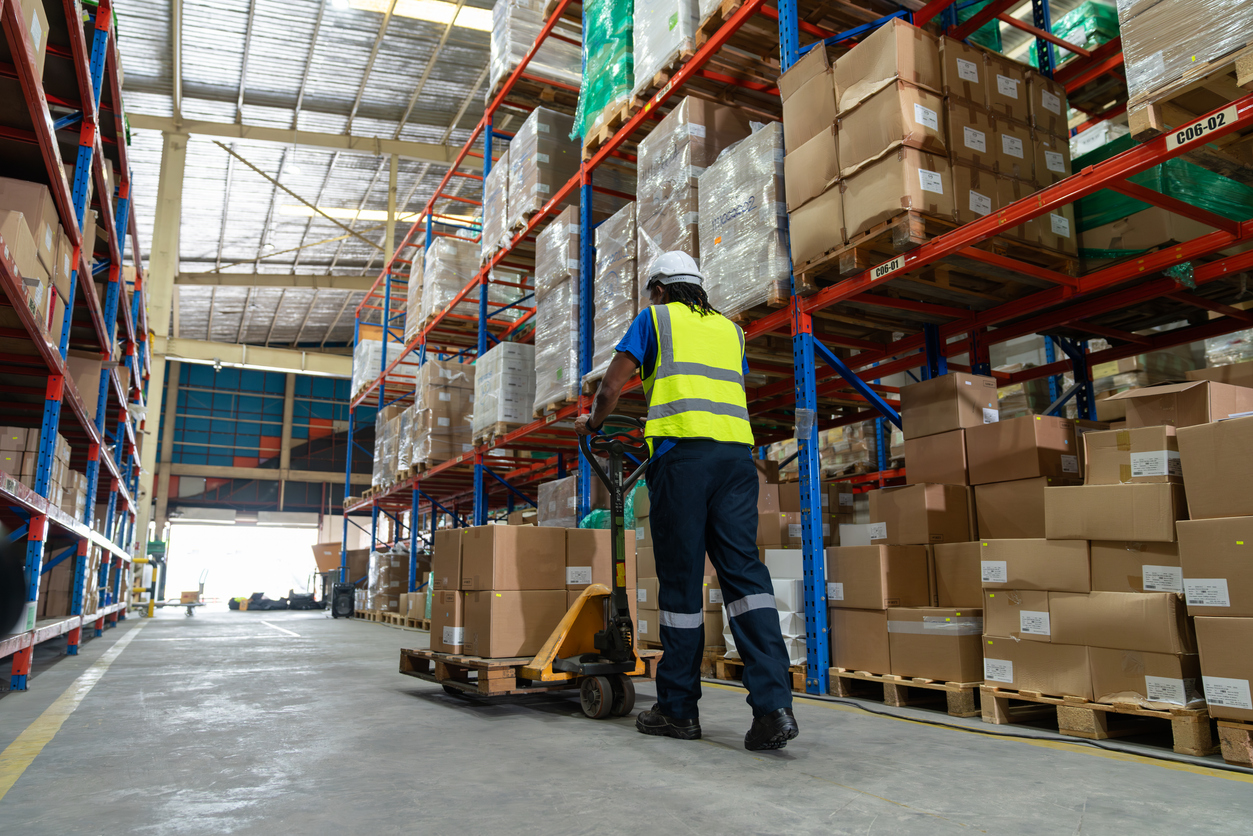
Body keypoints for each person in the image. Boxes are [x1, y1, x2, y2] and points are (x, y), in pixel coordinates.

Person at [575, 251, 799, 751]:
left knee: (680, 587)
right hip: (738, 462)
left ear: (658, 288)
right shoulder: (731, 330)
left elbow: (612, 386)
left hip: (682, 463)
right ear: (698, 287)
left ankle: (678, 710)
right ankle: (773, 708)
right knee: (746, 579)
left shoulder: (654, 318)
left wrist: (591, 424)